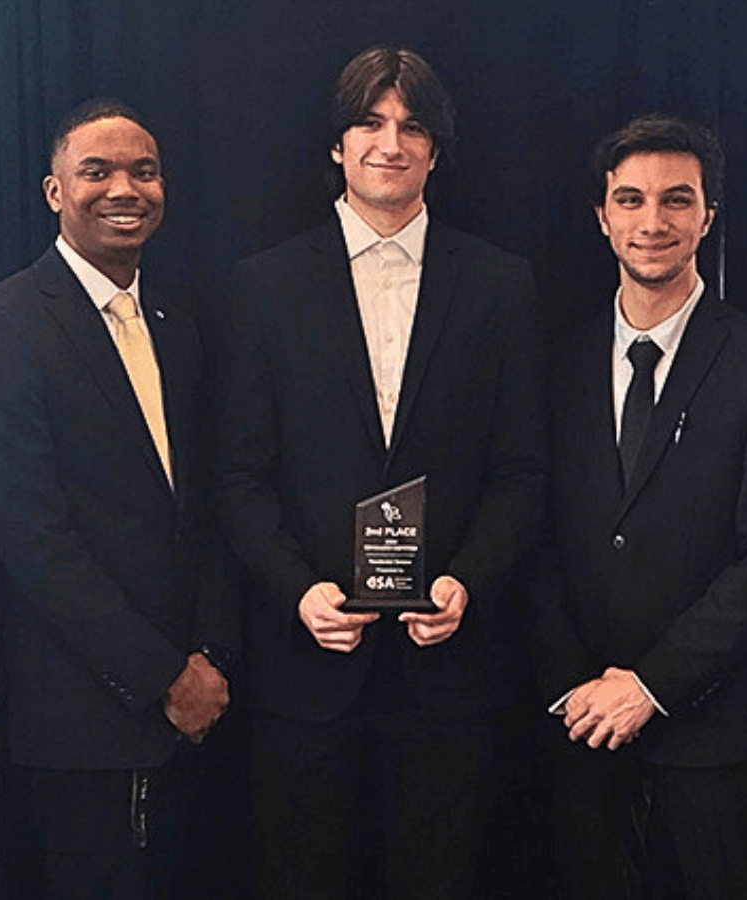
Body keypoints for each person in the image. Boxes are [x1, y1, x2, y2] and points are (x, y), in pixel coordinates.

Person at [215, 46, 544, 900]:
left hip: (450, 670)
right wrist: (298, 591)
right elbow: (240, 479)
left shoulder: (503, 286)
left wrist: (468, 581)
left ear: (436, 149)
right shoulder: (262, 287)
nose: (389, 142)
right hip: (308, 665)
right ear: (337, 144)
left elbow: (521, 472)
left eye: (411, 125)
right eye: (369, 121)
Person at [0, 98, 235, 900]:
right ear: (54, 191)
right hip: (83, 722)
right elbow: (32, 538)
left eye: (143, 170)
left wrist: (209, 661)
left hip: (195, 712)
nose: (124, 188)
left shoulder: (176, 323)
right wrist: (162, 677)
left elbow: (202, 508)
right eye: (97, 171)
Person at [528, 114, 747, 899]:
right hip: (582, 726)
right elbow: (535, 536)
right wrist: (576, 688)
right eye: (630, 200)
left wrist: (650, 685)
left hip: (719, 738)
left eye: (676, 200)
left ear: (708, 217)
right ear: (601, 217)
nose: (652, 222)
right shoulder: (556, 367)